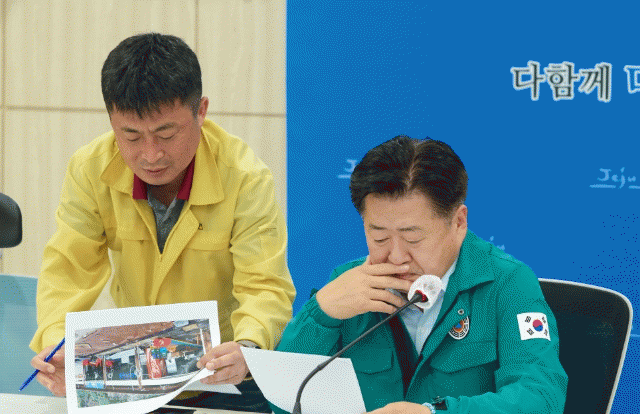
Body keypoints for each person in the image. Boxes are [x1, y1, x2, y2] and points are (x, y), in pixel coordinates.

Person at [28, 33, 295, 412]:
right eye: (131, 136)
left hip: (226, 373)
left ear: (201, 111)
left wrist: (248, 346)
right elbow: (68, 271)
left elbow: (264, 285)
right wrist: (58, 344)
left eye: (166, 133)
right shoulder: (90, 168)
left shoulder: (244, 176)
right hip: (136, 370)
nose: (151, 154)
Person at [274, 136, 567, 413]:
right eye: (379, 238)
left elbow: (540, 398)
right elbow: (283, 404)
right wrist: (320, 314)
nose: (396, 256)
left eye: (412, 238)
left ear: (459, 222)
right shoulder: (349, 285)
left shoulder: (508, 284)